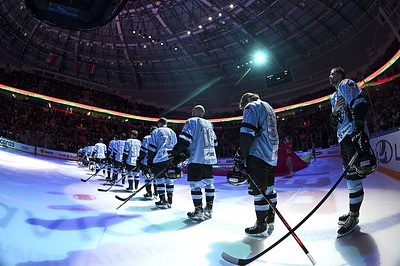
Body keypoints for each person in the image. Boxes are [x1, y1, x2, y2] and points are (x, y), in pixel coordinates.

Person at [329, 67, 376, 238]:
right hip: (344, 140)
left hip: (352, 136)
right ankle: (352, 213)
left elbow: (360, 103)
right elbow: (333, 123)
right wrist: (334, 112)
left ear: (340, 74)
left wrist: (358, 128)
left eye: (332, 73)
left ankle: (354, 217)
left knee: (354, 178)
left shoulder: (346, 84)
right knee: (351, 178)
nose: (330, 76)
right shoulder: (332, 97)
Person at [234, 92, 279, 237]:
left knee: (258, 192)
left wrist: (242, 155)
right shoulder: (269, 107)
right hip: (271, 153)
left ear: (247, 99)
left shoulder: (251, 106)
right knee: (269, 189)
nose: (244, 109)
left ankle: (261, 224)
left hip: (257, 153)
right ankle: (270, 218)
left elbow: (247, 132)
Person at [171, 105, 218, 221]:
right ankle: (209, 209)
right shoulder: (209, 124)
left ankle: (198, 211)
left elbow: (185, 139)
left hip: (197, 157)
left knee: (195, 185)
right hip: (209, 158)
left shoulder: (191, 121)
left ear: (194, 112)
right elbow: (215, 142)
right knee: (209, 184)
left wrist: (176, 151)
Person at [147, 118, 177, 209]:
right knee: (169, 180)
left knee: (160, 180)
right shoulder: (172, 132)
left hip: (159, 159)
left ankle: (162, 200)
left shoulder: (156, 131)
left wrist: (150, 161)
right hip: (170, 159)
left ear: (159, 123)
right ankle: (170, 200)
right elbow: (176, 147)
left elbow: (152, 147)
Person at [137, 126, 158, 200]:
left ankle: (149, 192)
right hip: (157, 161)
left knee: (147, 177)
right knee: (156, 178)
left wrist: (139, 160)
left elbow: (144, 150)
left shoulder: (147, 138)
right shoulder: (159, 138)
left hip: (147, 161)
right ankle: (156, 192)